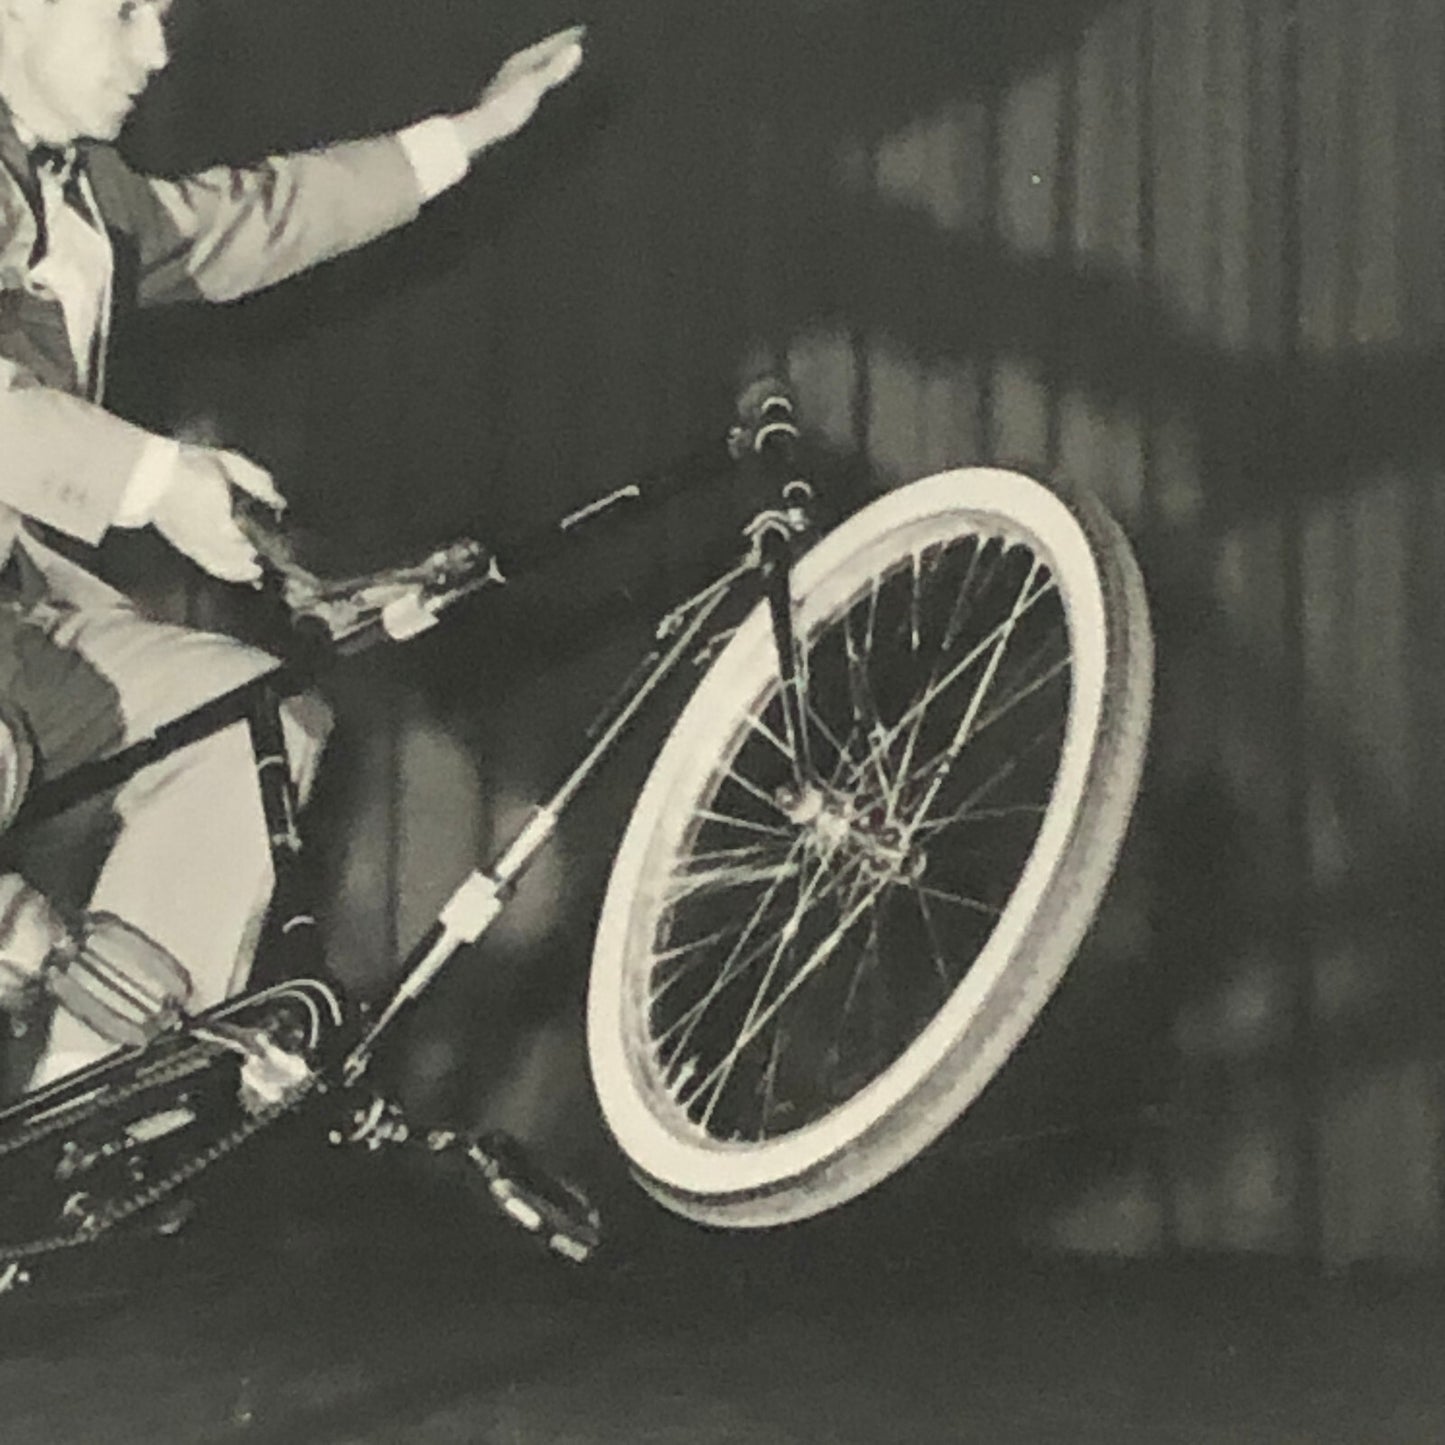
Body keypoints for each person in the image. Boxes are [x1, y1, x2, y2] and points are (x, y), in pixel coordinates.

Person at [0, 0, 586, 1090]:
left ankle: (85, 1114)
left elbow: (247, 219)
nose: (158, 53)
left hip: (16, 637)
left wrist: (464, 134)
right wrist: (156, 477)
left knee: (244, 724)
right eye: (125, 13)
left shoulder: (76, 193)